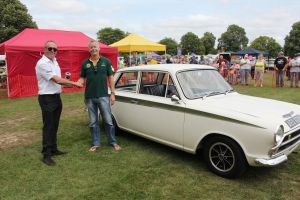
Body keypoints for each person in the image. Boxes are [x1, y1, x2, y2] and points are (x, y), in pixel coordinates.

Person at [36, 40, 83, 166]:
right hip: (47, 98)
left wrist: (71, 85)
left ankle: (53, 149)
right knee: (49, 126)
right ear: (44, 49)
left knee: (54, 125)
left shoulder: (54, 62)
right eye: (50, 48)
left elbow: (59, 82)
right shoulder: (42, 63)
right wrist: (75, 83)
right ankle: (46, 154)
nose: (53, 51)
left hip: (56, 96)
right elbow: (57, 80)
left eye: (55, 49)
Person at [78, 40, 121, 152]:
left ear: (99, 48)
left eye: (95, 47)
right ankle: (96, 143)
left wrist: (112, 93)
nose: (93, 49)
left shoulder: (106, 61)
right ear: (89, 49)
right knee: (93, 122)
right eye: (91, 47)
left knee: (108, 120)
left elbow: (111, 77)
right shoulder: (85, 63)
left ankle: (113, 142)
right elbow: (82, 78)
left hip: (103, 96)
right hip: (89, 97)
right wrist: (77, 83)